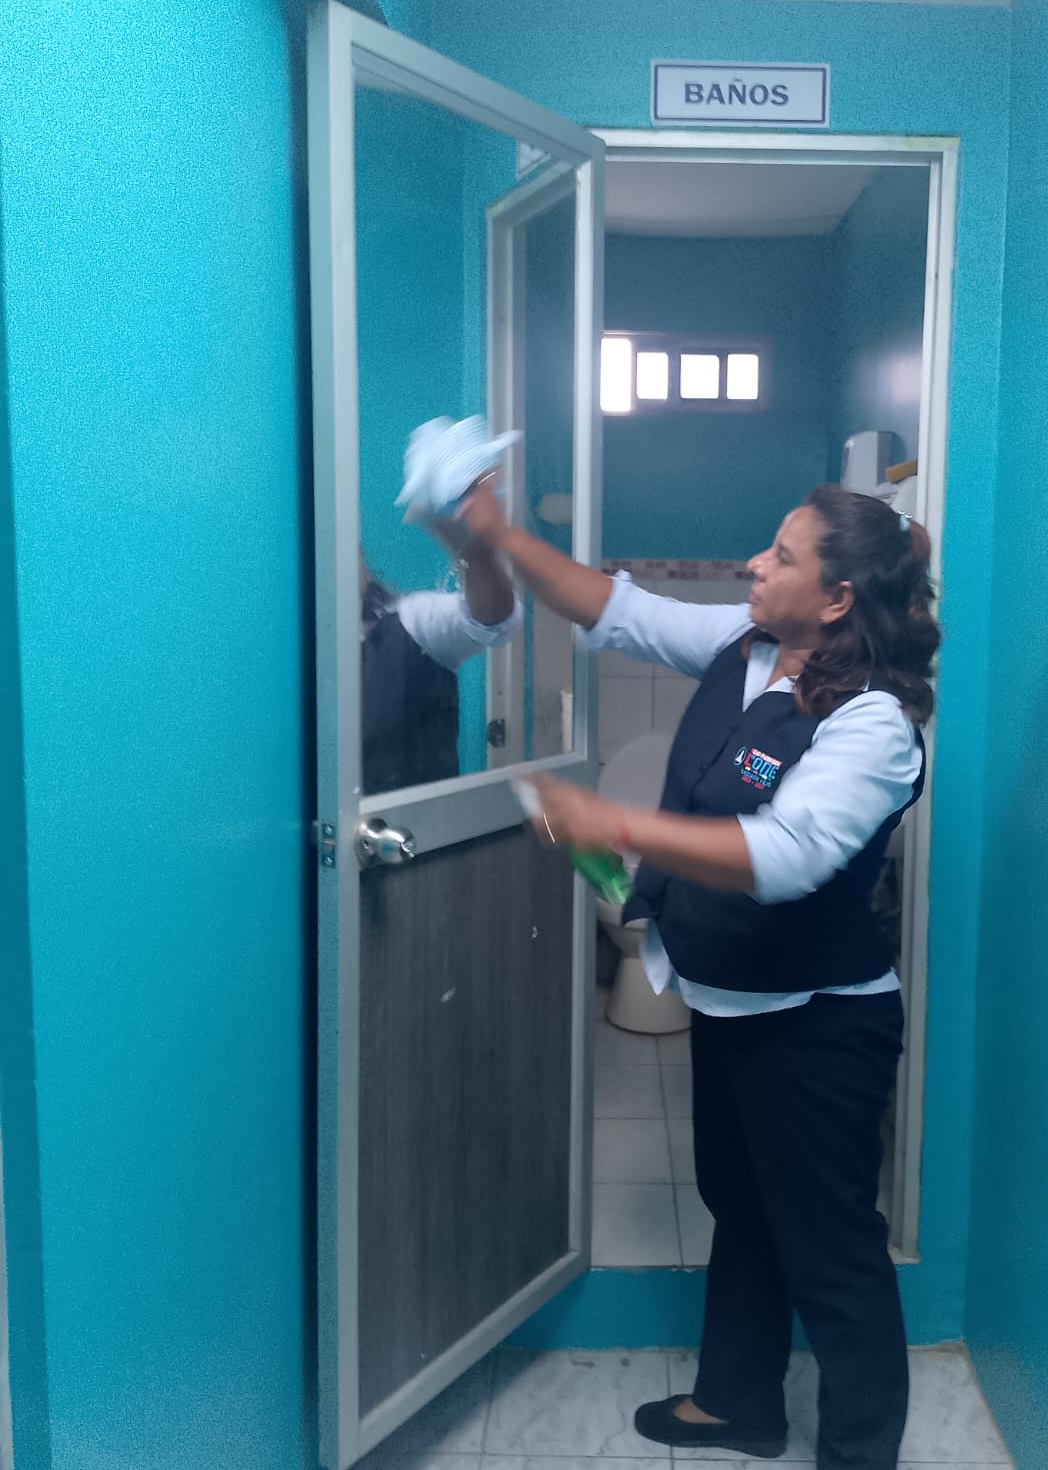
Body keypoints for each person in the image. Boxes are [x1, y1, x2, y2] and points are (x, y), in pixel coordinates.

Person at [458, 479, 939, 1470]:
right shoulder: (747, 645)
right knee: (742, 1204)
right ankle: (738, 1402)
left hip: (819, 1024)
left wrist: (615, 822)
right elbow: (615, 608)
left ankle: (860, 1454)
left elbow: (790, 853)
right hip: (727, 997)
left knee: (833, 1248)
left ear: (838, 597)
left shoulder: (875, 723)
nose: (754, 564)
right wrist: (499, 534)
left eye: (782, 555)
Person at [360, 506, 521, 793]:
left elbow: (493, 618)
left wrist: (470, 550)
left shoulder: (412, 620)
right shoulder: (298, 650)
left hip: (420, 818)